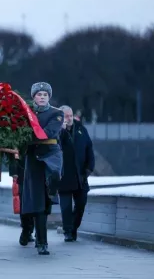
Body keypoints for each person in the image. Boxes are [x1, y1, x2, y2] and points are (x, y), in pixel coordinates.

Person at [20, 82, 64, 255]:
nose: (42, 97)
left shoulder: (56, 113)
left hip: (51, 152)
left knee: (54, 173)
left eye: (45, 95)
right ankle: (42, 242)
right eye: (39, 95)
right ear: (34, 97)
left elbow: (49, 132)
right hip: (33, 158)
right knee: (39, 202)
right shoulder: (25, 114)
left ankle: (53, 188)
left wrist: (28, 134)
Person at [57, 105, 95, 242]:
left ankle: (73, 227)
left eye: (70, 115)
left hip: (80, 176)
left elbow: (89, 149)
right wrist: (61, 131)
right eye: (65, 116)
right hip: (64, 176)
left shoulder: (81, 130)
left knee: (81, 204)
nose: (69, 118)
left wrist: (89, 169)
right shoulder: (56, 131)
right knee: (65, 207)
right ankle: (67, 231)